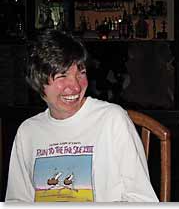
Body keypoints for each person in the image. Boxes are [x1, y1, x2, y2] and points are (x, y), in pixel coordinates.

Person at [5, 30, 158, 202]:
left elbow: (142, 199)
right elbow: (17, 202)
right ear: (39, 81)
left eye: (81, 73)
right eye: (62, 76)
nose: (76, 87)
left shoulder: (112, 120)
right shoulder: (28, 132)